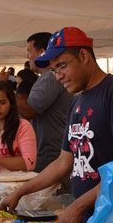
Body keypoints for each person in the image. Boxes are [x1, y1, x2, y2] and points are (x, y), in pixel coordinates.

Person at [2, 27, 113, 223]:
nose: (58, 76)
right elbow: (63, 163)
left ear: (84, 56)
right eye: (53, 70)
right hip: (91, 220)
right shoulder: (77, 102)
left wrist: (77, 206)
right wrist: (20, 192)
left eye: (62, 66)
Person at [17, 32, 74, 172]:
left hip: (50, 155)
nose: (27, 56)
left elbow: (30, 111)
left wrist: (4, 90)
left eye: (29, 51)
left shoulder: (50, 77)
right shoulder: (47, 77)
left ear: (42, 52)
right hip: (53, 153)